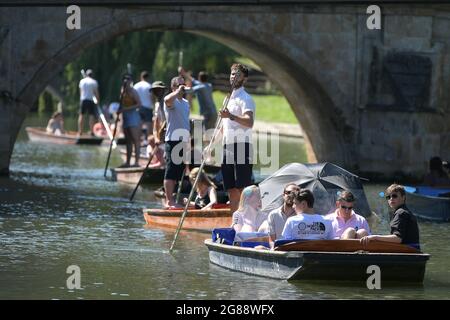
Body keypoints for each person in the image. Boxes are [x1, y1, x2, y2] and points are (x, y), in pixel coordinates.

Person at [219, 63, 255, 214]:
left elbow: (249, 122)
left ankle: (247, 220)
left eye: (238, 74)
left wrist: (231, 116)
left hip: (242, 145)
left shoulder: (245, 98)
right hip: (227, 145)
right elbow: (223, 126)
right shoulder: (227, 99)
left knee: (242, 188)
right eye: (232, 74)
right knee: (231, 188)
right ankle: (235, 222)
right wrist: (210, 146)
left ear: (244, 79)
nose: (234, 77)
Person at [360, 184, 420, 250]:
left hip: (409, 251)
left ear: (403, 197)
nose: (391, 199)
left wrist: (375, 237)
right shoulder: (405, 211)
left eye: (394, 196)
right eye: (388, 197)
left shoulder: (401, 213)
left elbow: (398, 239)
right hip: (412, 250)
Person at [163, 76, 191, 208]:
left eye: (183, 86)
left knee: (180, 172)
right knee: (171, 171)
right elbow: (166, 99)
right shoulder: (171, 100)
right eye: (179, 86)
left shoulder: (185, 103)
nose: (182, 88)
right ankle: (169, 201)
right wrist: (177, 92)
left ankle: (175, 199)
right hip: (172, 140)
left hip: (183, 140)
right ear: (173, 87)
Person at [118, 74, 142, 168]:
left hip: (133, 117)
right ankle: (128, 162)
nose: (126, 81)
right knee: (128, 141)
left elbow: (139, 104)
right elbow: (121, 104)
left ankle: (136, 162)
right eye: (124, 79)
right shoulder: (122, 91)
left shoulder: (133, 91)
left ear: (130, 81)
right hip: (125, 118)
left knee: (135, 140)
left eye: (128, 79)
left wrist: (126, 109)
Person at [78, 69, 99, 136]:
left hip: (83, 100)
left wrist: (81, 100)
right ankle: (92, 131)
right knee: (91, 116)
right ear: (92, 75)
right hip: (90, 100)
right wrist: (98, 101)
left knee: (81, 115)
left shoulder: (82, 81)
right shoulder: (94, 82)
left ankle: (80, 131)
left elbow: (81, 92)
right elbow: (96, 93)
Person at [134, 71, 153, 141]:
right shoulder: (149, 86)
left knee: (139, 124)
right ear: (147, 77)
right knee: (148, 124)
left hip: (138, 107)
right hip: (147, 107)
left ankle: (138, 140)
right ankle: (148, 141)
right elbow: (151, 97)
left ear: (141, 77)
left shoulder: (136, 85)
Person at [151, 81, 167, 146]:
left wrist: (162, 131)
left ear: (163, 91)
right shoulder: (157, 105)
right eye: (155, 90)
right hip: (162, 135)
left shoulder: (168, 102)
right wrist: (156, 137)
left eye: (159, 90)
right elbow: (155, 122)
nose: (157, 92)